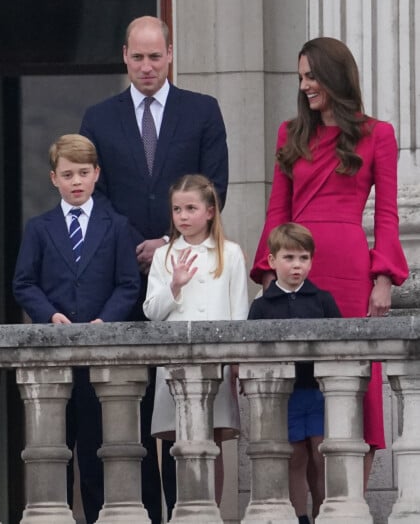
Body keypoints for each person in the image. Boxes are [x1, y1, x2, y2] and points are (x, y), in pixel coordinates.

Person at [80, 15, 229, 522]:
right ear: (125, 55)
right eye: (138, 57)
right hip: (121, 282)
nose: (147, 66)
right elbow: (93, 198)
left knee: (183, 414)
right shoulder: (99, 118)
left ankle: (188, 511)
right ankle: (141, 514)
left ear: (171, 54)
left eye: (156, 56)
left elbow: (215, 187)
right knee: (131, 411)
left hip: (187, 277)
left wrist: (167, 243)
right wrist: (135, 247)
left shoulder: (202, 111)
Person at [250, 37, 409, 487]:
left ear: (334, 76)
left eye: (311, 76)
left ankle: (349, 504)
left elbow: (387, 214)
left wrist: (383, 278)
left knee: (358, 384)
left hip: (351, 268)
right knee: (301, 386)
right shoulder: (290, 133)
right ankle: (310, 505)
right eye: (301, 78)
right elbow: (277, 211)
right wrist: (268, 276)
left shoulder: (378, 133)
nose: (304, 87)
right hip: (298, 266)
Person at [12, 134, 140, 524]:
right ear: (54, 178)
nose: (76, 181)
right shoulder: (39, 227)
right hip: (54, 355)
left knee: (99, 449)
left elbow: (128, 283)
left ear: (97, 174)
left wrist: (107, 320)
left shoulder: (116, 226)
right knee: (53, 447)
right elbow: (24, 282)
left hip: (101, 355)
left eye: (84, 173)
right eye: (68, 174)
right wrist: (49, 316)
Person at [143, 174, 247, 506]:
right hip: (175, 364)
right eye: (177, 209)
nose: (183, 216)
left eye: (191, 208)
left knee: (212, 441)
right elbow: (151, 311)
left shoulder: (230, 253)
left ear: (210, 211)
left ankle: (212, 511)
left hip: (216, 362)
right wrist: (174, 285)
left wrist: (236, 362)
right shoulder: (164, 254)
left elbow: (239, 313)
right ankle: (185, 509)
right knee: (181, 444)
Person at [248, 223, 341, 524]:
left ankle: (324, 513)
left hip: (317, 391)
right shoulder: (261, 306)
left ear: (312, 261)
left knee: (320, 454)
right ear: (272, 261)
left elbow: (340, 344)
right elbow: (252, 350)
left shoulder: (322, 300)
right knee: (295, 458)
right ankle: (299, 516)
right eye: (288, 258)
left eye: (303, 258)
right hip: (283, 396)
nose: (296, 265)